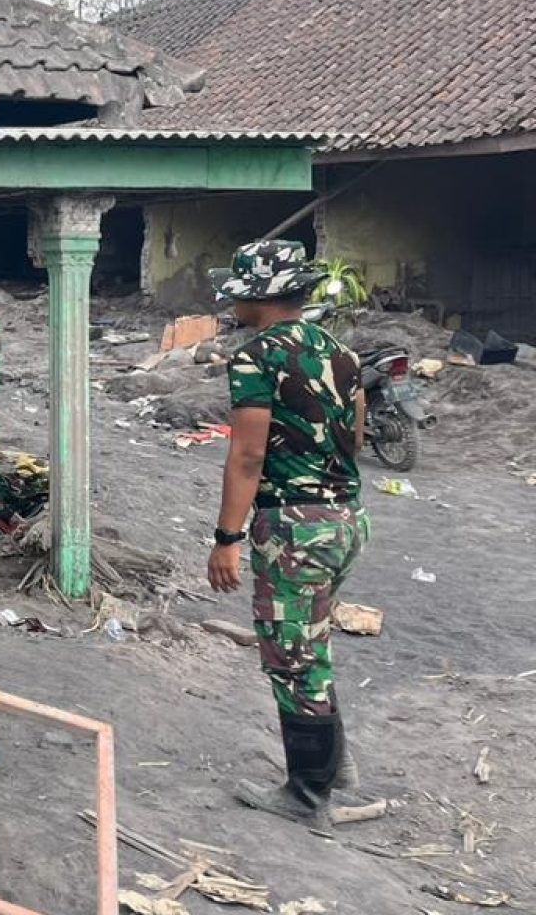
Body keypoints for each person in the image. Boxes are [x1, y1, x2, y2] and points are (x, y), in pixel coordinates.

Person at [206, 240, 369, 825]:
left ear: (260, 296)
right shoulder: (343, 353)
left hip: (293, 526)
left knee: (291, 656)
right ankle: (334, 766)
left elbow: (247, 455)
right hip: (346, 518)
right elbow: (354, 439)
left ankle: (306, 793)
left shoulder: (256, 358)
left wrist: (227, 537)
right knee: (312, 640)